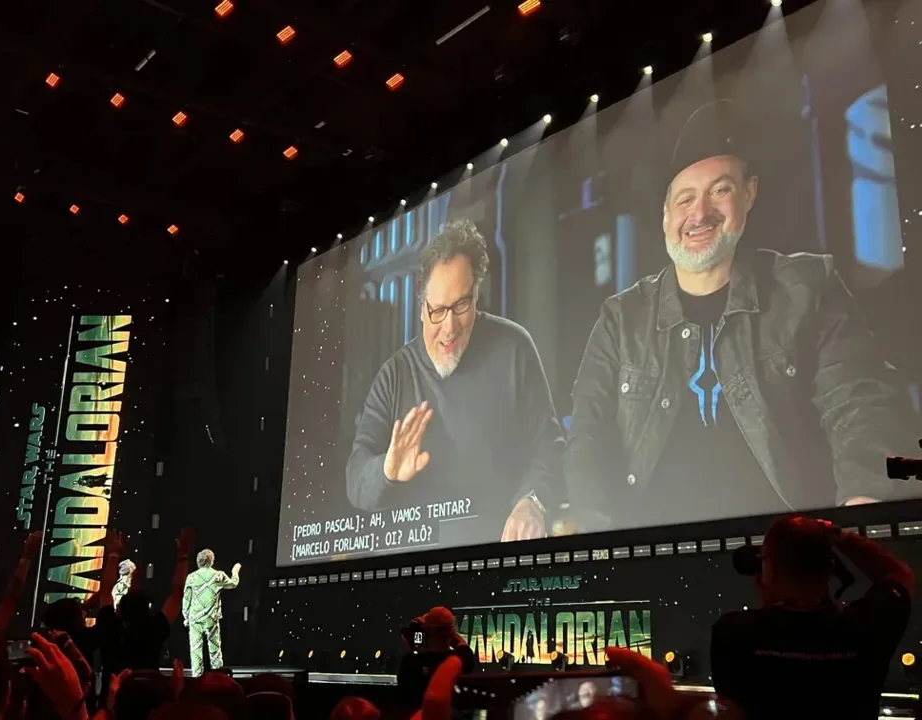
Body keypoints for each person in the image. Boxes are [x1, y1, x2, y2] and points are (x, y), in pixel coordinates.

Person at [564, 98, 922, 531]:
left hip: (789, 551)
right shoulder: (620, 319)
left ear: (748, 193)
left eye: (720, 190)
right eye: (685, 199)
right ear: (665, 216)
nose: (700, 214)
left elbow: (861, 402)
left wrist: (866, 497)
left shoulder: (807, 287)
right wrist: (601, 540)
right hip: (654, 551)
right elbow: (587, 439)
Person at [346, 218, 565, 544]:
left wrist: (532, 501)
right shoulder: (395, 376)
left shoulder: (513, 347)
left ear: (477, 296)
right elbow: (356, 481)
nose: (449, 328)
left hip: (497, 554)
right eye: (437, 310)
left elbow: (549, 445)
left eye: (461, 305)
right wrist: (386, 471)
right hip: (415, 567)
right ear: (421, 308)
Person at [710, 516, 913, 719]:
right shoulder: (867, 628)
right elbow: (898, 573)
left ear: (769, 567)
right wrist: (840, 536)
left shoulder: (733, 633)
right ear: (830, 569)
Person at [98, 529, 193, 686]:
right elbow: (176, 594)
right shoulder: (154, 629)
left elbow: (106, 590)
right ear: (148, 608)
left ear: (120, 608)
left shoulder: (110, 627)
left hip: (114, 698)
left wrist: (113, 555)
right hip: (149, 695)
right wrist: (183, 557)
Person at [396, 606, 475, 713]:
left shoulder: (410, 662)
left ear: (427, 631)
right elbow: (462, 645)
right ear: (451, 632)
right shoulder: (462, 660)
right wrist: (449, 632)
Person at [182, 548, 241, 677]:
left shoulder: (191, 577)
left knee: (195, 650)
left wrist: (186, 616)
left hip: (195, 618)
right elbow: (233, 584)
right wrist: (235, 572)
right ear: (212, 561)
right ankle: (218, 678)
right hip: (211, 618)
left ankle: (197, 679)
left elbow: (186, 599)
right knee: (215, 651)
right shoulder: (218, 575)